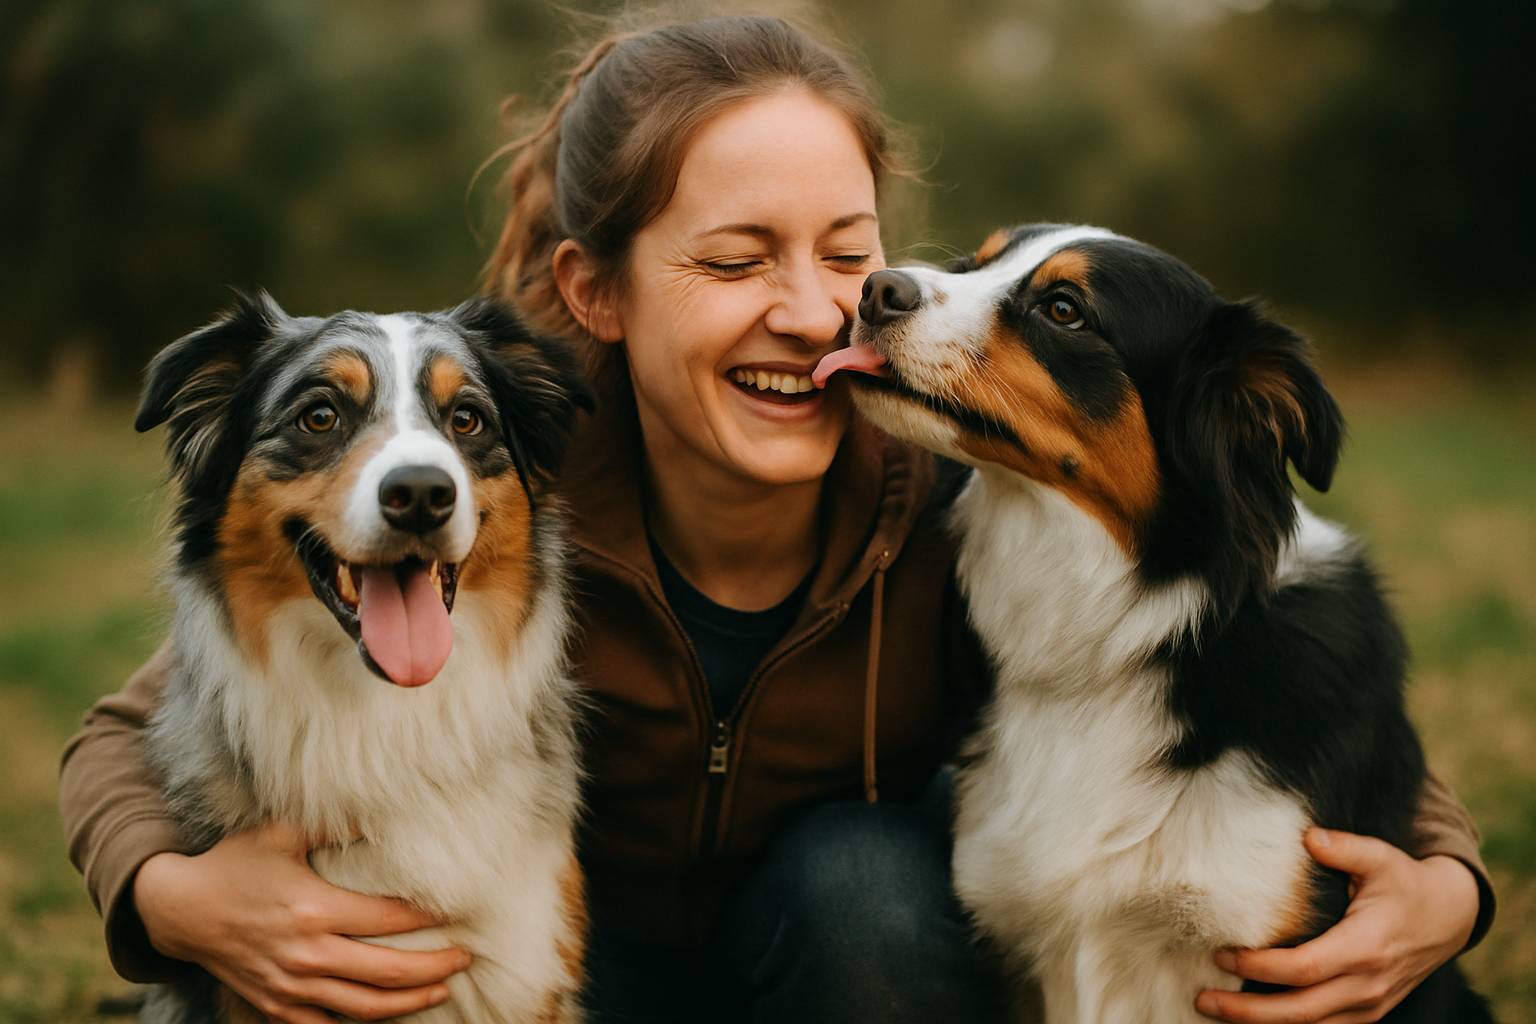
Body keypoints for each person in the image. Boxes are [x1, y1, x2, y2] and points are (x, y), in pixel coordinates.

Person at [60, 14, 1495, 1024]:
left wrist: (1444, 885)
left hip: (842, 974)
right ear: (596, 294)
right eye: (737, 260)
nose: (814, 315)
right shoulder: (508, 488)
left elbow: (1256, 665)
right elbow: (130, 729)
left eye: (851, 255)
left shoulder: (963, 496)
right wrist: (173, 897)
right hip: (559, 975)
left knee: (862, 887)